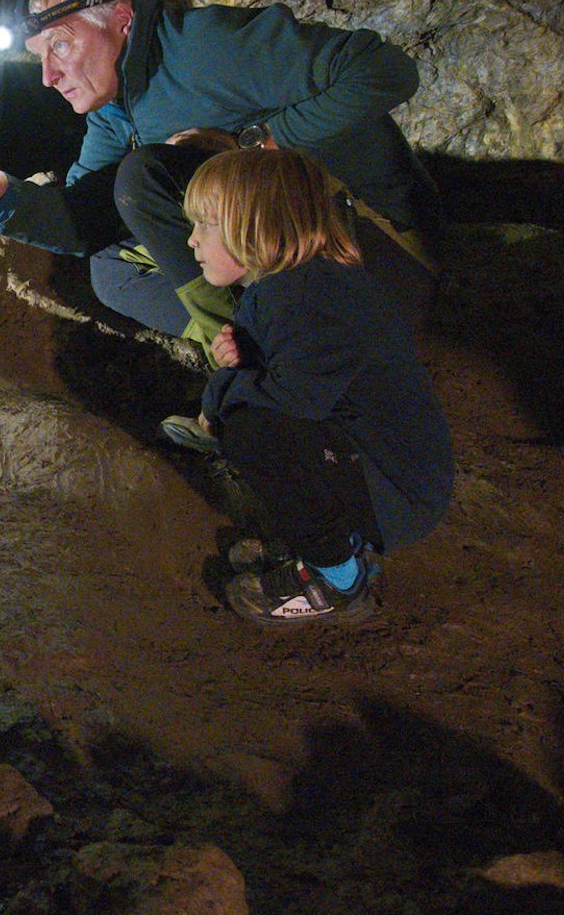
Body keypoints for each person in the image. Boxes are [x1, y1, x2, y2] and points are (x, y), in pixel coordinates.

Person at [0, 0, 440, 356]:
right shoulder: (115, 111)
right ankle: (250, 349)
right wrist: (4, 199)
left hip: (377, 248)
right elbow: (84, 222)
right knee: (113, 270)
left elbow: (385, 70)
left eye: (61, 46)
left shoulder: (206, 47)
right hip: (297, 258)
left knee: (143, 176)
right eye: (40, 58)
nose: (49, 76)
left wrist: (259, 143)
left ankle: (275, 363)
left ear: (121, 19)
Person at [183, 147, 452, 624]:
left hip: (399, 493)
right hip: (380, 469)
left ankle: (338, 578)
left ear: (257, 226)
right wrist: (235, 372)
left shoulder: (307, 295)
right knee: (252, 421)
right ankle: (328, 540)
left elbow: (293, 403)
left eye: (205, 224)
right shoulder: (297, 286)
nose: (192, 240)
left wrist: (221, 396)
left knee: (253, 432)